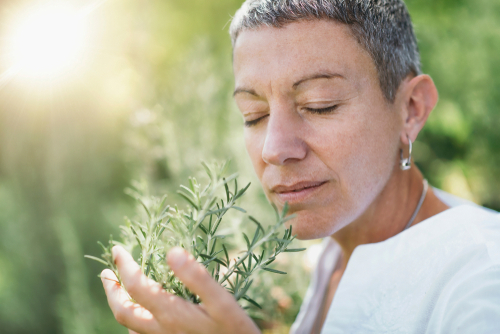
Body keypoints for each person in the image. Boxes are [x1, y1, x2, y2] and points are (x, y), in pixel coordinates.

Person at [101, 0, 500, 333]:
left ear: (411, 109)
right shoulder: (327, 258)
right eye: (253, 115)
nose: (275, 149)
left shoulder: (481, 281)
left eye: (319, 104)